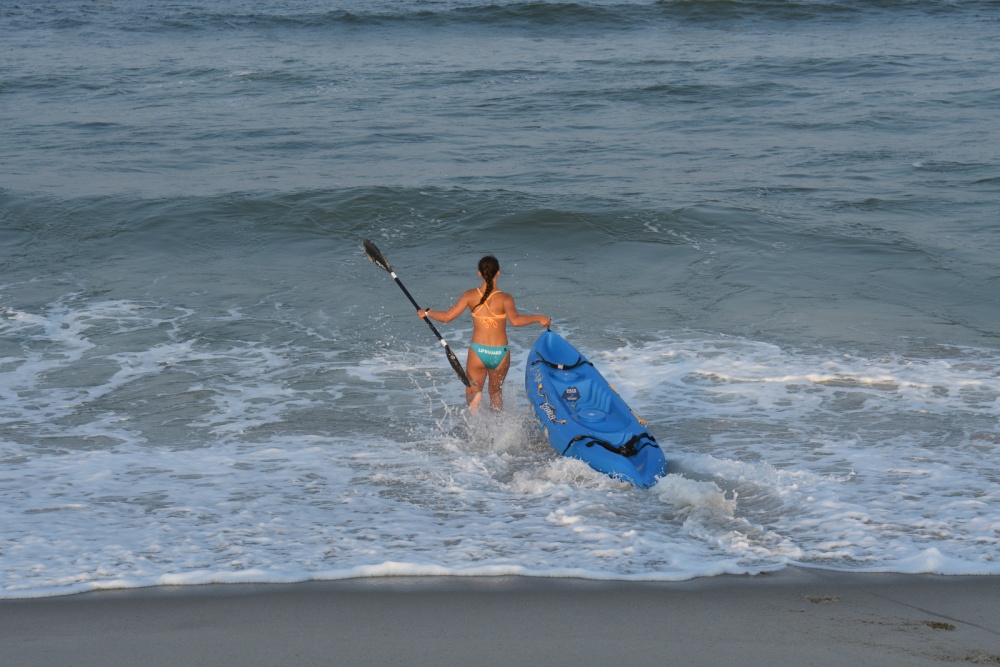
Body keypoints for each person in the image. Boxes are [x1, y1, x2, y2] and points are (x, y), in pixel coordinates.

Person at [418, 255, 550, 412]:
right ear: (498, 272)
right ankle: (498, 424)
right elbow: (515, 321)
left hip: (478, 352)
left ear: (479, 273)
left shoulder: (470, 295)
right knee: (495, 392)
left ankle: (476, 401)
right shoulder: (505, 298)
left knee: (472, 390)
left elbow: (447, 317)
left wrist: (427, 312)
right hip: (500, 353)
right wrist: (539, 317)